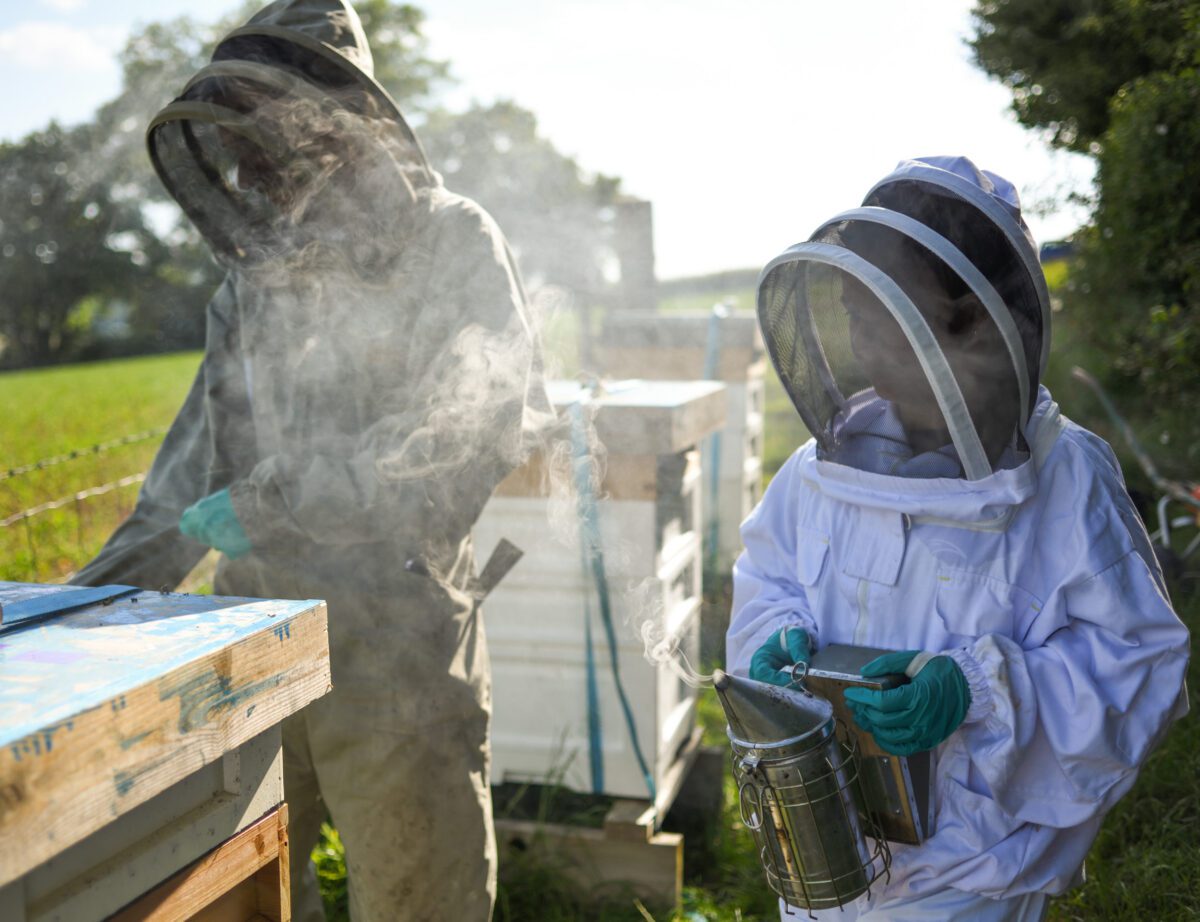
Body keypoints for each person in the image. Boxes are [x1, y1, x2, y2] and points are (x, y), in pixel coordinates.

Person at [72, 2, 550, 919]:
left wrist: (281, 501)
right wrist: (69, 612)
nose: (248, 164)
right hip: (250, 640)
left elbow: (456, 451)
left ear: (337, 126)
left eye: (261, 133)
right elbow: (183, 487)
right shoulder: (251, 280)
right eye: (232, 138)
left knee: (420, 898)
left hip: (397, 649)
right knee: (247, 898)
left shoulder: (452, 241)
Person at [727, 156, 1190, 920]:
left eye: (889, 319)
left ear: (974, 321)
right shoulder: (820, 472)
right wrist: (778, 643)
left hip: (976, 882)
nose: (867, 346)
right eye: (855, 314)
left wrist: (978, 690)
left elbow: (1139, 666)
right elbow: (769, 582)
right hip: (826, 852)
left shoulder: (1068, 477)